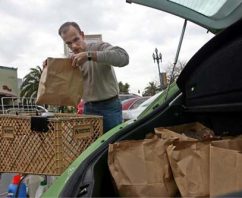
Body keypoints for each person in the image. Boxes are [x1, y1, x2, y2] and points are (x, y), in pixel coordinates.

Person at [56, 22, 129, 132]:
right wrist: (50, 65)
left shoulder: (99, 47)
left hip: (110, 107)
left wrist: (89, 55)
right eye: (69, 43)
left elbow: (123, 57)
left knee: (114, 145)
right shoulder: (71, 60)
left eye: (76, 40)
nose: (74, 46)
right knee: (92, 147)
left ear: (82, 35)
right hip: (88, 108)